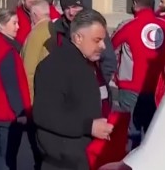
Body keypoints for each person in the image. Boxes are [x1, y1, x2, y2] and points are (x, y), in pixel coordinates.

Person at [33, 9, 114, 170]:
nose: (103, 46)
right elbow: (44, 114)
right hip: (65, 161)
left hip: (90, 155)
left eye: (103, 40)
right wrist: (88, 126)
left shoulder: (90, 63)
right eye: (97, 40)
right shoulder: (54, 66)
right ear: (78, 38)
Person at [112, 0, 165, 149]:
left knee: (131, 135)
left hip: (131, 88)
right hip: (158, 88)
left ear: (135, 5)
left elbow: (111, 48)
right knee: (153, 136)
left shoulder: (127, 26)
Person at [0, 10, 32, 169]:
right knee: (7, 157)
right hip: (5, 112)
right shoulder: (7, 50)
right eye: (14, 23)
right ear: (2, 25)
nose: (18, 27)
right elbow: (11, 86)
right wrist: (20, 113)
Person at [50, 0, 117, 83]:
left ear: (81, 6)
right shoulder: (58, 28)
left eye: (74, 7)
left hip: (92, 80)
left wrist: (101, 81)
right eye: (67, 8)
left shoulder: (94, 24)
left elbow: (108, 57)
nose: (71, 12)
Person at [21, 0, 52, 100]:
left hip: (38, 93)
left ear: (34, 14)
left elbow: (28, 70)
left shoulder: (36, 34)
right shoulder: (54, 29)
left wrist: (28, 100)